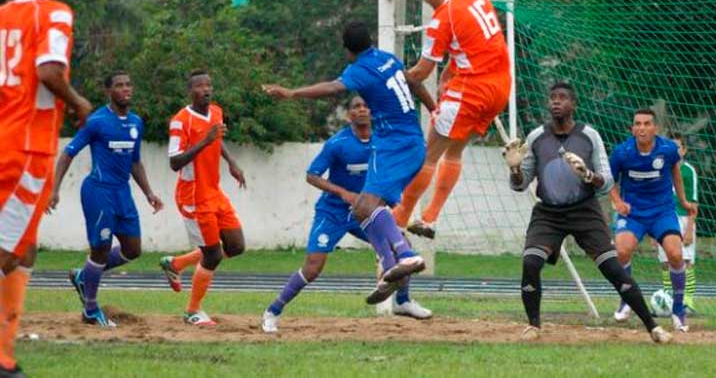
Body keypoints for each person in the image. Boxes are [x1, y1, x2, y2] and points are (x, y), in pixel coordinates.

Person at [263, 21, 428, 304]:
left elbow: (332, 87)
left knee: (366, 207)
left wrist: (292, 93)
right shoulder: (388, 58)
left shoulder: (359, 71)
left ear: (347, 50)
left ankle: (406, 256)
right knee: (365, 208)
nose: (362, 110)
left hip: (395, 145)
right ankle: (391, 268)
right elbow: (413, 81)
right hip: (409, 142)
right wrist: (433, 107)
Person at [505, 83, 672, 344]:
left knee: (613, 269)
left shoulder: (589, 136)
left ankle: (653, 327)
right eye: (552, 98)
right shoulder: (536, 136)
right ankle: (533, 325)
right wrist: (515, 169)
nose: (556, 102)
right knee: (530, 263)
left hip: (585, 211)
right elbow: (520, 185)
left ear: (573, 104)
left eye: (562, 98)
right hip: (548, 213)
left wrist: (588, 175)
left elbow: (606, 181)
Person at [261, 96, 432, 333]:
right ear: (348, 115)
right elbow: (312, 175)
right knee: (313, 268)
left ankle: (403, 302)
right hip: (332, 212)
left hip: (364, 212)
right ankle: (273, 311)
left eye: (366, 106)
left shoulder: (384, 141)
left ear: (372, 113)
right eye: (356, 107)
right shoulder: (337, 144)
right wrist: (344, 194)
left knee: (402, 246)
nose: (362, 110)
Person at [0, 0, 92, 376]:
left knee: (23, 247)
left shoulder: (2, 17)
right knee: (6, 251)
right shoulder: (55, 13)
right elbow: (49, 71)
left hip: (6, 138)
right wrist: (78, 103)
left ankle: (4, 355)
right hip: (26, 146)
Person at [391, 0, 512, 239]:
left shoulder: (442, 18)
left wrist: (394, 77)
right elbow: (472, 45)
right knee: (454, 152)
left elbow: (421, 72)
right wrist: (449, 74)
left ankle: (401, 218)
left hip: (471, 92)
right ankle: (430, 218)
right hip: (500, 87)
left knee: (428, 156)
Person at [47, 71, 163, 327]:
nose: (126, 89)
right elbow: (68, 153)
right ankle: (90, 310)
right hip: (98, 191)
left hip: (123, 192)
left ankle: (83, 277)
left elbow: (134, 162)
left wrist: (149, 193)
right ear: (108, 91)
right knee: (100, 248)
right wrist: (54, 190)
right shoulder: (96, 121)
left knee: (133, 249)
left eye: (129, 84)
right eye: (120, 85)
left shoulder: (135, 123)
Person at [158, 70, 247, 326]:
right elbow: (175, 162)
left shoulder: (216, 112)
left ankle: (176, 263)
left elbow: (218, 140)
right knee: (213, 255)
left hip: (214, 191)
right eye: (200, 86)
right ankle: (192, 311)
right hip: (194, 197)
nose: (206, 89)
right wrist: (205, 141)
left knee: (236, 246)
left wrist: (231, 162)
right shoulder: (180, 121)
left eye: (209, 85)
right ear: (191, 91)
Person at [609, 109, 697, 332]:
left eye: (647, 123)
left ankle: (678, 312)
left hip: (662, 211)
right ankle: (626, 299)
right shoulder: (622, 152)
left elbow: (676, 171)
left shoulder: (667, 149)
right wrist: (618, 202)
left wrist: (684, 201)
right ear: (632, 128)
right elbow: (609, 180)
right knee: (621, 250)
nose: (642, 128)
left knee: (676, 254)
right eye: (637, 124)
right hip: (634, 213)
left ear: (655, 128)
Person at [659, 133, 698, 312]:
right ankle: (668, 299)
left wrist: (689, 229)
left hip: (683, 220)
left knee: (686, 261)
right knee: (665, 262)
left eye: (678, 147)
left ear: (684, 150)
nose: (674, 151)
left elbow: (694, 203)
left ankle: (688, 301)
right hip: (664, 219)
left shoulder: (689, 171)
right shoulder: (661, 169)